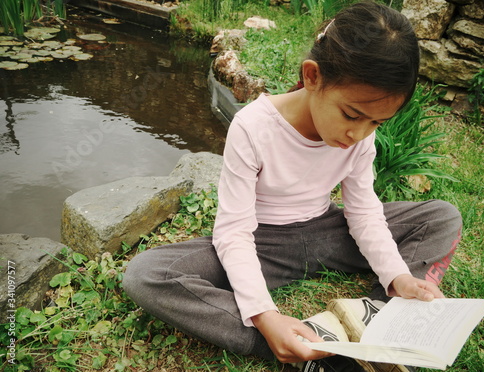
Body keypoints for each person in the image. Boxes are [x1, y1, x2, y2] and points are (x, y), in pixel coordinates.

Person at [123, 1, 462, 371]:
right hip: (263, 244)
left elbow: (364, 212)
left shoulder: (360, 138)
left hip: (327, 232)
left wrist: (396, 276)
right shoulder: (253, 127)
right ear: (313, 77)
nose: (359, 134)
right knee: (148, 275)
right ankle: (304, 345)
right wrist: (265, 316)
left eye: (376, 124)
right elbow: (234, 231)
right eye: (352, 115)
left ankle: (380, 318)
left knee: (440, 216)